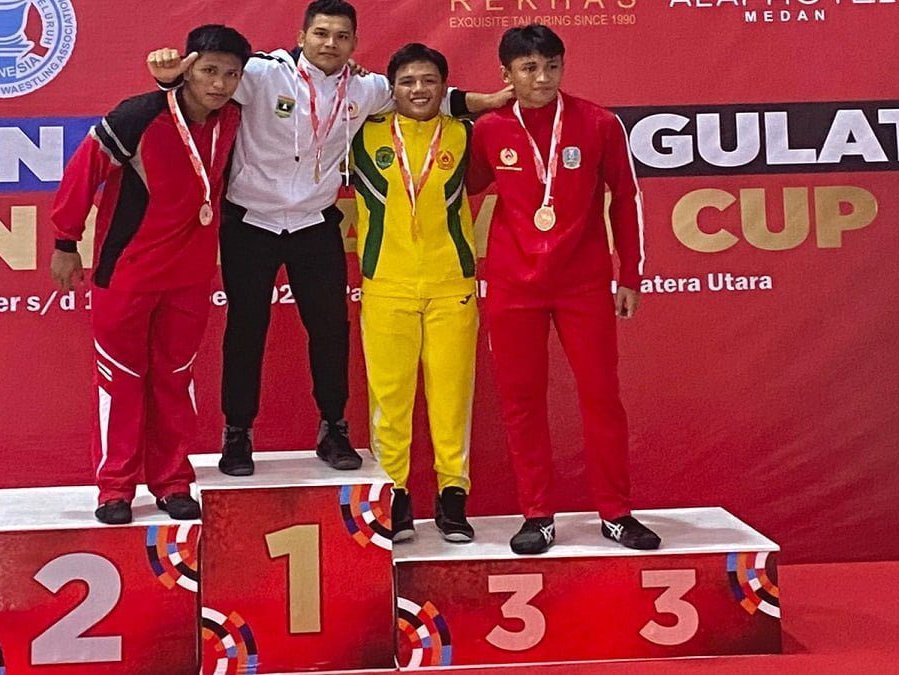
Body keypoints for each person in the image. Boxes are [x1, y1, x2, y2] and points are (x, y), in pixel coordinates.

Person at [147, 0, 512, 477]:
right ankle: (237, 434)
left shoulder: (366, 88)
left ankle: (334, 429)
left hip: (314, 224)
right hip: (251, 222)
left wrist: (491, 101)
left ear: (355, 43)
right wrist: (168, 78)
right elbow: (205, 88)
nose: (330, 44)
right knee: (245, 332)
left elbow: (427, 97)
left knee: (330, 331)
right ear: (302, 37)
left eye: (342, 36)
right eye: (321, 34)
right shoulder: (261, 74)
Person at [468, 24, 660, 553]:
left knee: (602, 398)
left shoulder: (598, 123)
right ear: (506, 73)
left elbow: (626, 197)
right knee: (521, 403)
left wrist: (630, 274)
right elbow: (461, 185)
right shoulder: (488, 129)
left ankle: (616, 513)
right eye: (528, 68)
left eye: (552, 66)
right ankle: (537, 515)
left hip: (583, 284)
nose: (542, 78)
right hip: (512, 287)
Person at [49, 25, 251, 524]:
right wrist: (65, 241)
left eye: (230, 74)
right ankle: (115, 488)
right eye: (209, 70)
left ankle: (172, 481)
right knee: (121, 382)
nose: (219, 84)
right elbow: (83, 172)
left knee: (175, 381)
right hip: (127, 275)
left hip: (191, 278)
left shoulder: (234, 118)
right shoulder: (138, 115)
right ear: (187, 67)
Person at [351, 44, 477, 543]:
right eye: (407, 81)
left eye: (428, 80)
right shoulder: (362, 132)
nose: (418, 90)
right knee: (389, 399)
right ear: (391, 88)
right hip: (386, 284)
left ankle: (453, 497)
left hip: (452, 286)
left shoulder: (466, 134)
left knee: (452, 397)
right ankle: (394, 498)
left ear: (444, 87)